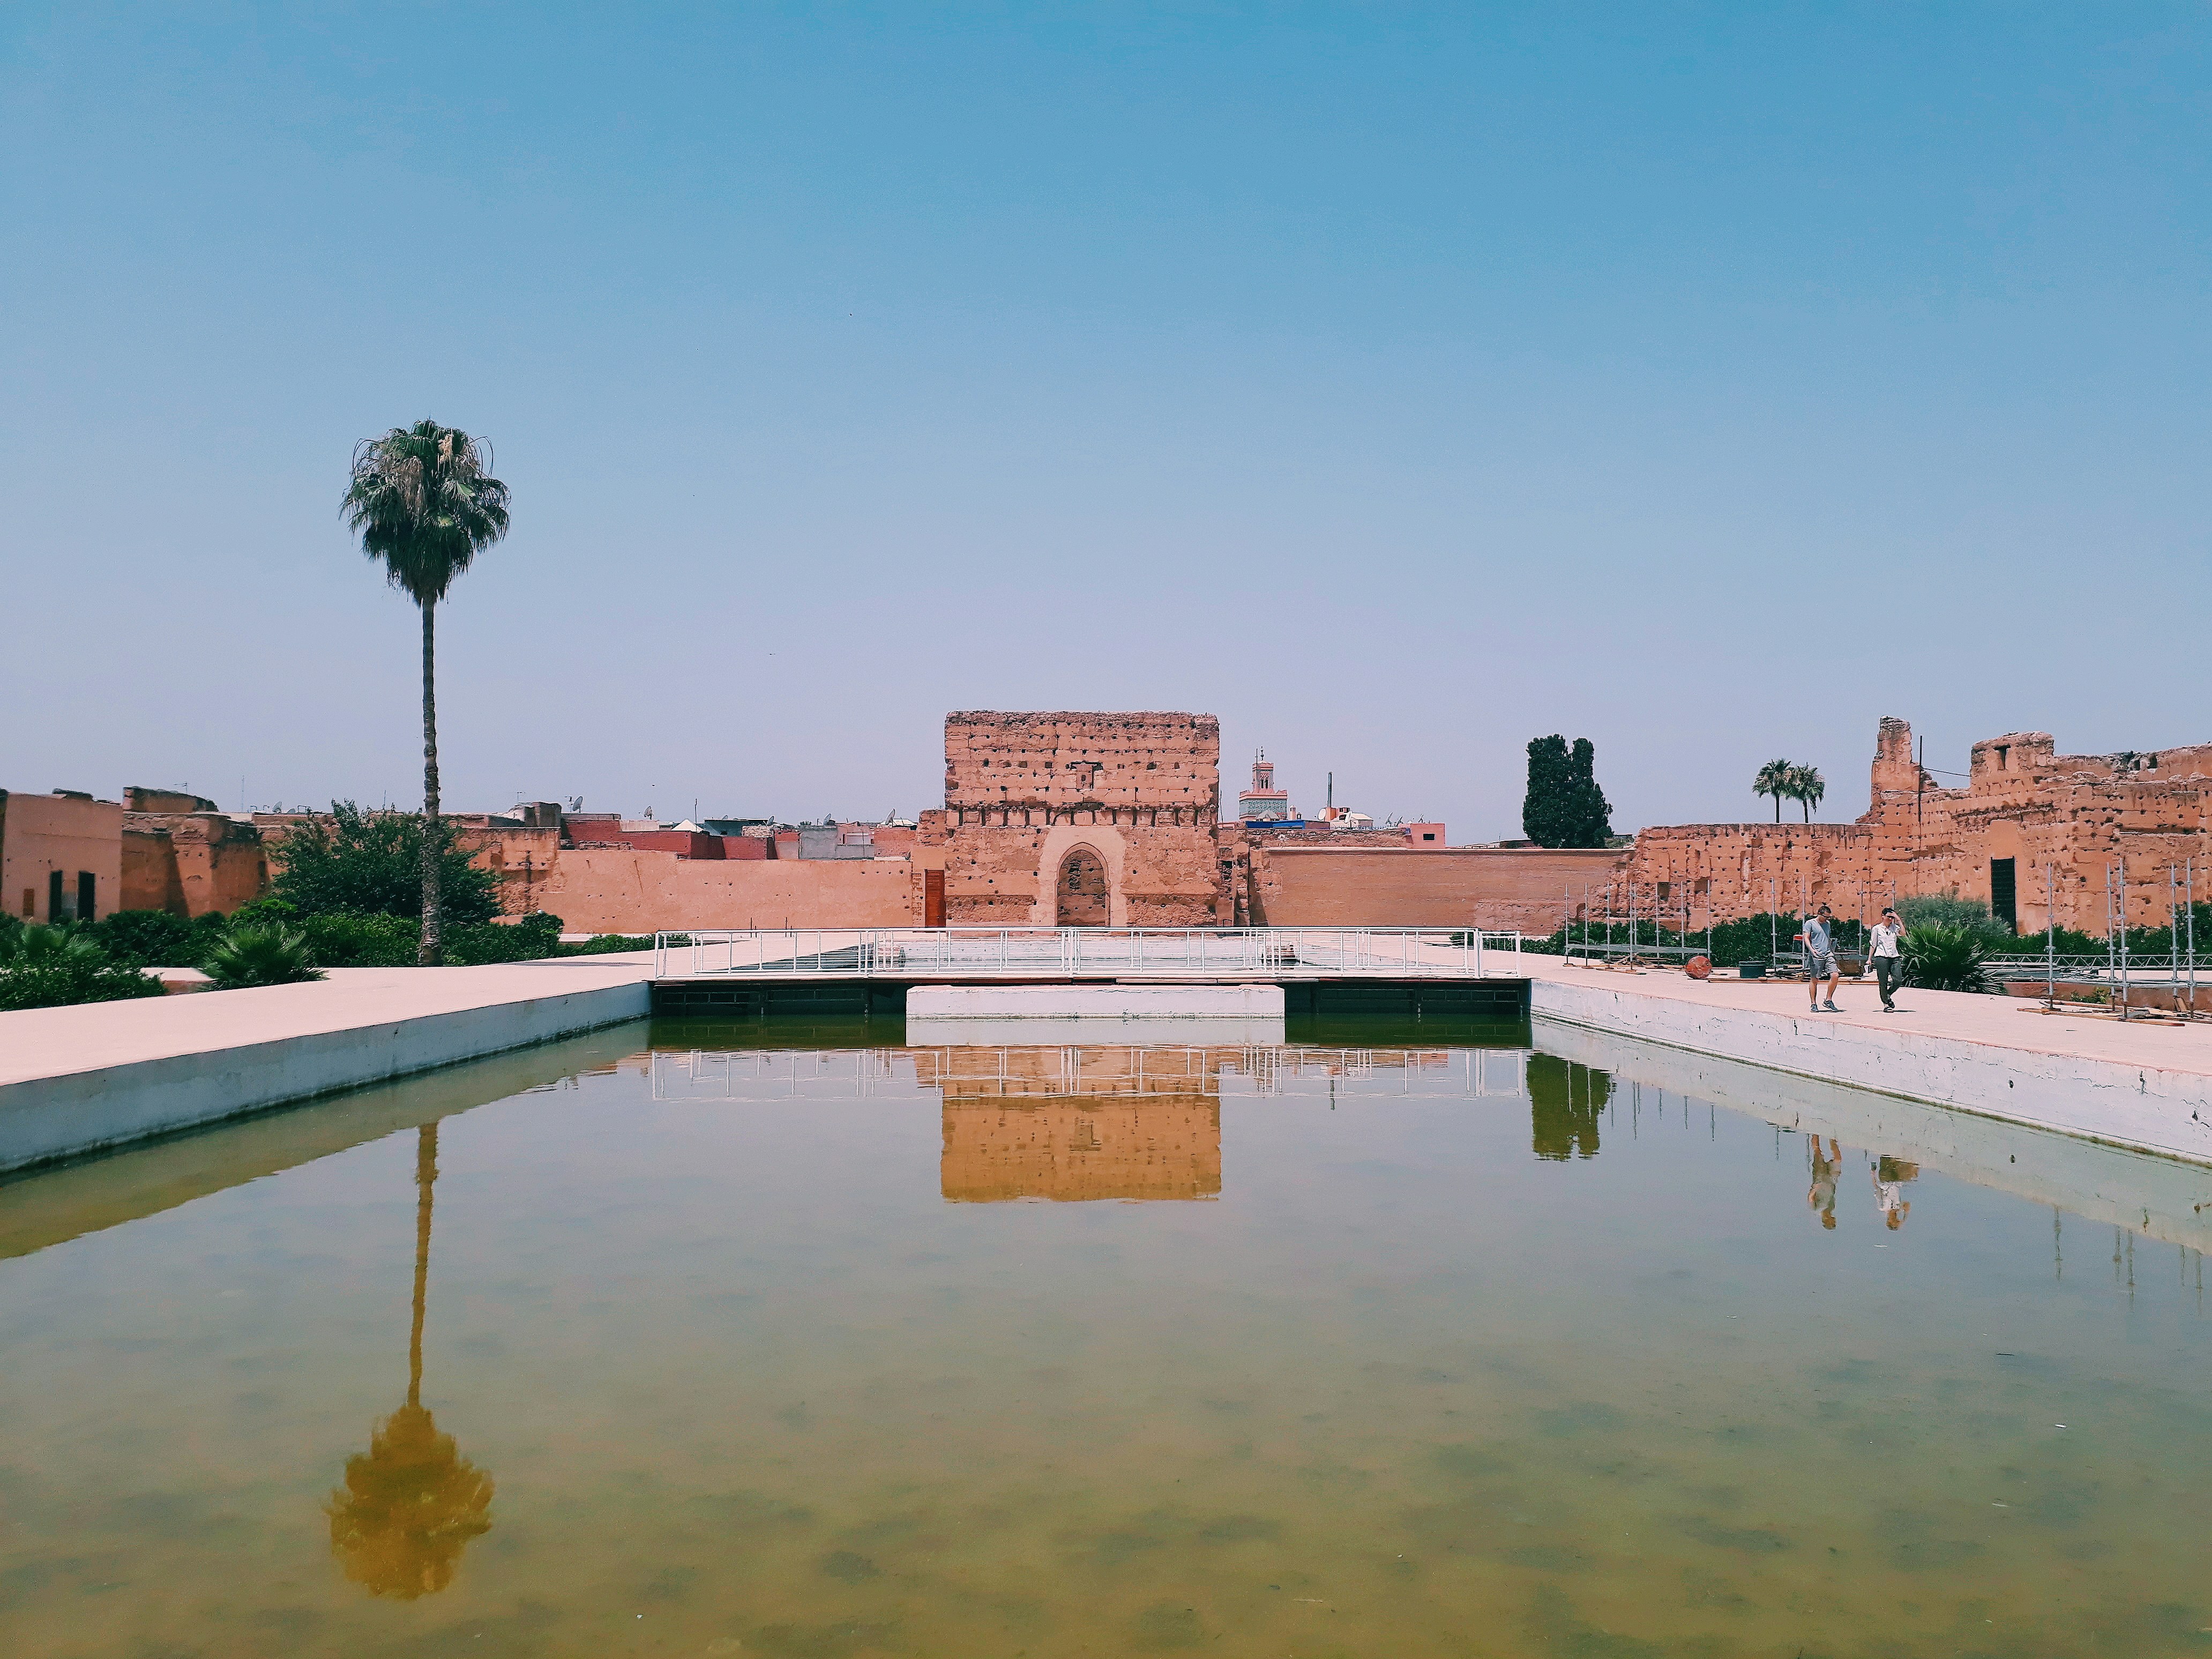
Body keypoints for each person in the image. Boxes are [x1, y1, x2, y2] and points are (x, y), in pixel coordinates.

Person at [1802, 904, 1841, 1011]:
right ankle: (1813, 1004)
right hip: (1816, 955)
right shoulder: (1810, 924)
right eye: (1826, 917)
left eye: (1829, 917)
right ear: (1820, 914)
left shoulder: (1827, 924)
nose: (1828, 919)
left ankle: (1828, 1000)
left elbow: (1827, 938)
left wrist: (1832, 951)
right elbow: (1806, 937)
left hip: (1828, 954)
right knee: (1815, 979)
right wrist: (1811, 949)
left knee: (1835, 975)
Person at [1866, 907, 1905, 1012]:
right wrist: (1869, 959)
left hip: (1894, 957)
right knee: (1883, 982)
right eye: (1889, 917)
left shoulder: (1894, 927)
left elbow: (1903, 933)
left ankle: (1887, 995)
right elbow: (1873, 944)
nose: (1890, 919)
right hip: (1881, 957)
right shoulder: (1877, 929)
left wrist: (1898, 919)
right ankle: (1886, 1004)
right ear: (1883, 916)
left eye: (1892, 917)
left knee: (1898, 980)